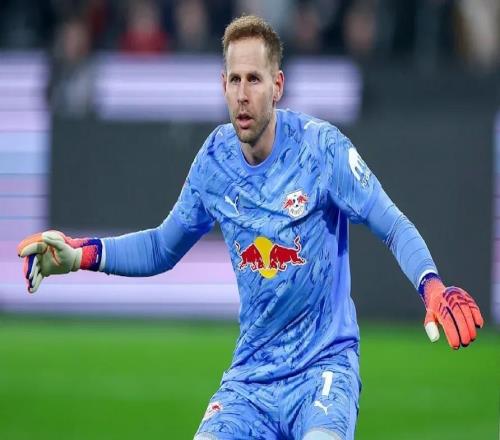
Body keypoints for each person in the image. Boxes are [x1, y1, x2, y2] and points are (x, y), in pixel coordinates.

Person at [17, 15, 483, 440]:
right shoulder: (214, 162)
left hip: (322, 370)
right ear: (223, 85)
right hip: (251, 379)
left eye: (255, 80)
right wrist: (80, 256)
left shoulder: (321, 150)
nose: (243, 94)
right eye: (235, 80)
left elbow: (393, 225)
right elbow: (161, 247)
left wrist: (431, 286)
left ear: (277, 86)